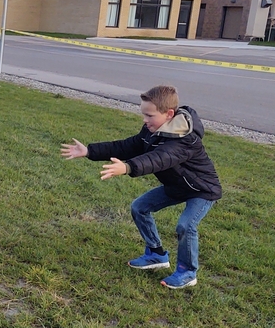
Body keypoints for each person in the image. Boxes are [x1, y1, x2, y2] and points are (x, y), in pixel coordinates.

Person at [60, 85, 222, 289]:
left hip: (202, 190)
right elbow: (128, 146)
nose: (145, 120)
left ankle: (188, 272)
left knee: (186, 225)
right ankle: (156, 254)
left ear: (169, 114)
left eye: (149, 115)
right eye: (143, 114)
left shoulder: (185, 140)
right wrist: (90, 151)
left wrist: (128, 167)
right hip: (176, 185)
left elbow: (159, 159)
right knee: (139, 208)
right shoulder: (152, 130)